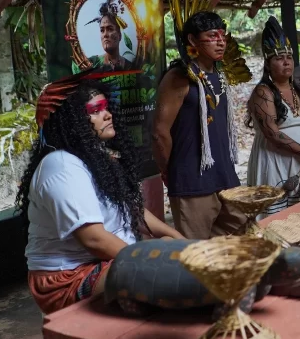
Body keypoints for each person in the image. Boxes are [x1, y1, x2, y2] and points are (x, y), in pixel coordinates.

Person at [18, 72, 184, 315]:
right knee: (167, 272)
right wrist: (144, 261)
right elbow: (94, 239)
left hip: (105, 263)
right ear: (72, 121)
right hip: (67, 279)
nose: (107, 115)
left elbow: (133, 209)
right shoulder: (62, 165)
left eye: (106, 107)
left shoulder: (96, 156)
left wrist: (182, 241)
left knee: (173, 248)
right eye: (95, 110)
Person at [153, 10, 247, 239]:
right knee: (197, 256)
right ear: (192, 40)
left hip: (226, 179)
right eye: (212, 35)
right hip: (192, 182)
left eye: (223, 35)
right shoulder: (179, 77)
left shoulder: (219, 74)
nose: (220, 41)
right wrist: (168, 168)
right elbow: (159, 131)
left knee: (240, 245)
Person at [247, 16, 300, 217]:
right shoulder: (263, 93)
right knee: (275, 216)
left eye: (289, 57)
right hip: (273, 160)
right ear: (268, 64)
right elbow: (272, 133)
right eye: (279, 58)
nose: (286, 62)